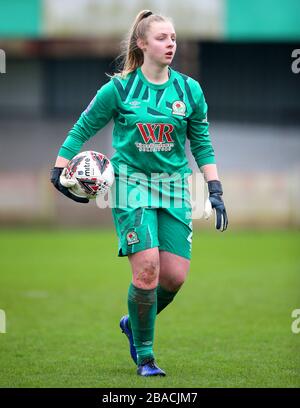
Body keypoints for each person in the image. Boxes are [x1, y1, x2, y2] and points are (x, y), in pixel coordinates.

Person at [50, 10, 228, 377]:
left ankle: (133, 322)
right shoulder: (118, 89)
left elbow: (202, 143)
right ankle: (145, 357)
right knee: (147, 269)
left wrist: (214, 187)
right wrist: (58, 169)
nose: (171, 45)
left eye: (174, 38)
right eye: (162, 38)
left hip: (176, 188)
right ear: (142, 43)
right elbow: (83, 126)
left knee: (174, 276)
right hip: (130, 186)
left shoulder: (189, 90)